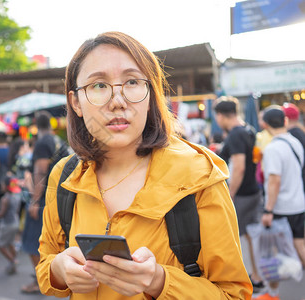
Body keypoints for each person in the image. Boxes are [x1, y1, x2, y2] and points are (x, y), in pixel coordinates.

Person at [35, 32, 252, 299]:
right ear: (76, 102)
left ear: (151, 94)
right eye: (99, 86)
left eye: (132, 82)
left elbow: (234, 293)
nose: (117, 101)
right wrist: (59, 269)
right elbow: (46, 264)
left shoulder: (198, 175)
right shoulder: (65, 176)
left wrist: (159, 282)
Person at [254, 106, 305, 300]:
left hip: (281, 207)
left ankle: (272, 293)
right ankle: (273, 292)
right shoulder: (295, 142)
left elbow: (274, 182)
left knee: (272, 252)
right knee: (300, 245)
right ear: (285, 121)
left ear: (265, 125)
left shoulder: (273, 148)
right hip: (298, 203)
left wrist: (268, 210)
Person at [214, 96, 264, 292]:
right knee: (250, 235)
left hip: (242, 194)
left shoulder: (235, 134)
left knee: (237, 238)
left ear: (221, 116)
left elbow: (239, 167)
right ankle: (257, 276)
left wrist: (230, 193)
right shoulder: (248, 129)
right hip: (253, 190)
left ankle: (247, 281)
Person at [21, 111, 70, 294]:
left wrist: (34, 201)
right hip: (59, 197)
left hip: (44, 199)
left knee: (32, 242)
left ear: (35, 124)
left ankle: (39, 281)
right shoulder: (57, 140)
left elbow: (40, 173)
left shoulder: (42, 143)